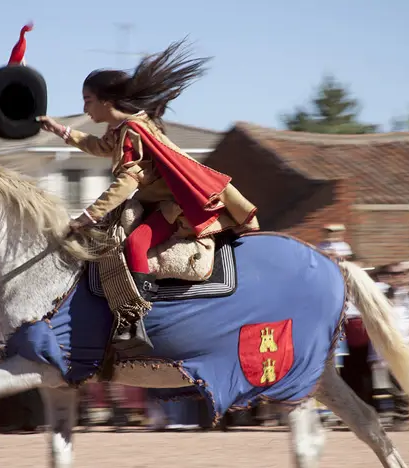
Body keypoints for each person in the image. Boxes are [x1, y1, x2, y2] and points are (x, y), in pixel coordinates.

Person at [37, 38, 259, 350]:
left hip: (171, 206)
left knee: (137, 242)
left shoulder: (132, 130)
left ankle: (133, 322)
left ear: (106, 101)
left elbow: (128, 180)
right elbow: (101, 148)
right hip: (149, 201)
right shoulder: (122, 130)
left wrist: (88, 216)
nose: (84, 107)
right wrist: (61, 131)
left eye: (88, 100)